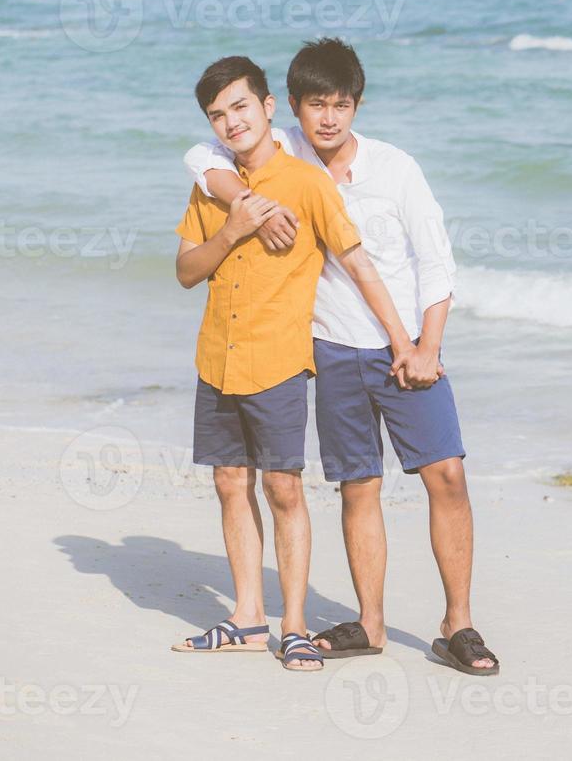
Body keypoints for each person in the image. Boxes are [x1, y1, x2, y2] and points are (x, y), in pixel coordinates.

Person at [183, 39, 497, 675]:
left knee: (448, 476)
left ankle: (458, 623)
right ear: (291, 108)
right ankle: (371, 624)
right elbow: (202, 152)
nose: (328, 118)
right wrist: (243, 205)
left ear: (356, 105)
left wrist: (424, 345)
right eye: (316, 105)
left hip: (404, 347)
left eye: (341, 104)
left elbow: (436, 263)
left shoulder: (396, 169)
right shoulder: (281, 154)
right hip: (328, 350)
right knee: (359, 488)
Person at [169, 56, 417, 672]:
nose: (231, 122)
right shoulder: (211, 183)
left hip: (278, 361)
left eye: (241, 108)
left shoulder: (308, 184)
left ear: (268, 107)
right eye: (218, 115)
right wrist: (236, 227)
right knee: (230, 483)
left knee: (284, 489)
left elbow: (358, 263)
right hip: (215, 357)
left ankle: (296, 625)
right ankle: (248, 620)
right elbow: (185, 271)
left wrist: (403, 341)